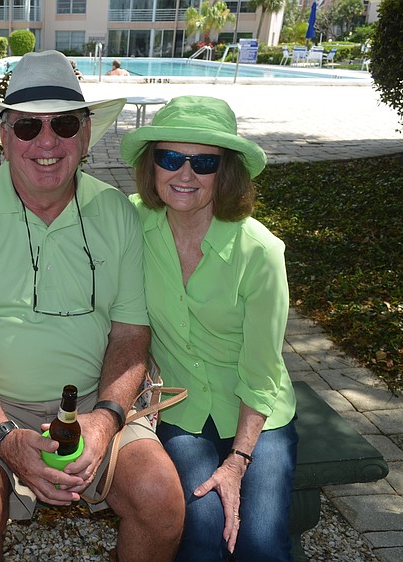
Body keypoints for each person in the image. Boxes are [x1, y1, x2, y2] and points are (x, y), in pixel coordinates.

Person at [0, 50, 185, 562]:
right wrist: (4, 437)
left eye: (64, 124)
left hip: (94, 400)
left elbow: (131, 334)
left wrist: (107, 419)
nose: (46, 142)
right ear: (3, 135)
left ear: (87, 134)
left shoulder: (116, 213)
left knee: (162, 502)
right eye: (27, 127)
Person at [120, 96, 298, 561]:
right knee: (201, 531)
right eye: (170, 158)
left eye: (203, 162)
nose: (184, 174)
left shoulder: (260, 252)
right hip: (180, 405)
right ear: (152, 165)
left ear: (227, 173)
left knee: (259, 543)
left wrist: (238, 462)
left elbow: (262, 372)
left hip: (256, 410)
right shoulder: (129, 221)